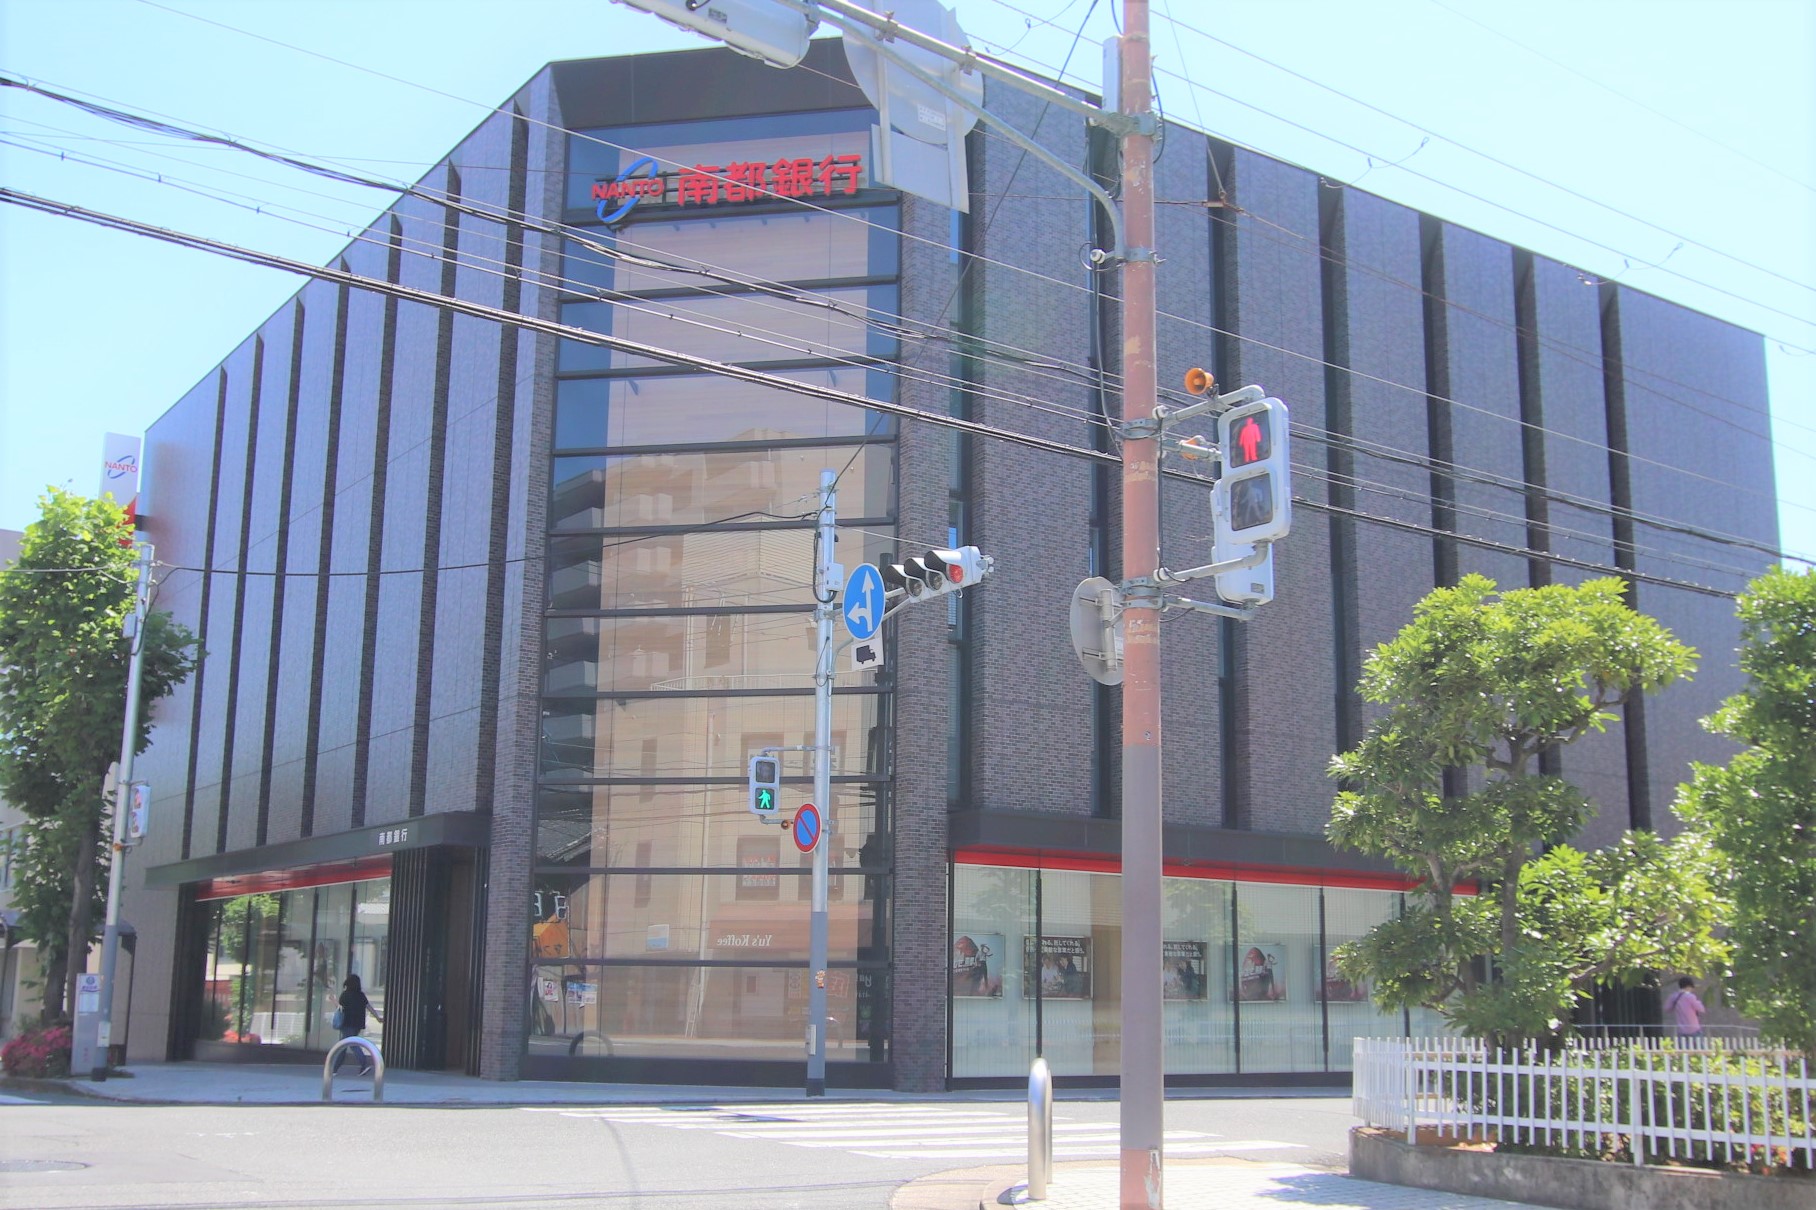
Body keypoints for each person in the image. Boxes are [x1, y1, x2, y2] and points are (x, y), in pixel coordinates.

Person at [331, 973, 383, 1075]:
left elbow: (340, 1008)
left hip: (347, 1024)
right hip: (358, 1024)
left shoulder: (345, 995)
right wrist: (377, 1017)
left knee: (349, 1045)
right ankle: (334, 1069)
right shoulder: (361, 995)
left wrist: (333, 1000)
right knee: (344, 1046)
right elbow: (369, 1007)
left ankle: (363, 1064)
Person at [1665, 976, 1706, 1042]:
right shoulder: (1690, 996)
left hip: (1681, 1029)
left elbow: (1667, 1008)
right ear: (1689, 986)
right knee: (1699, 1047)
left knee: (1683, 1047)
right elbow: (1701, 1009)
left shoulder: (1673, 996)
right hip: (1693, 1028)